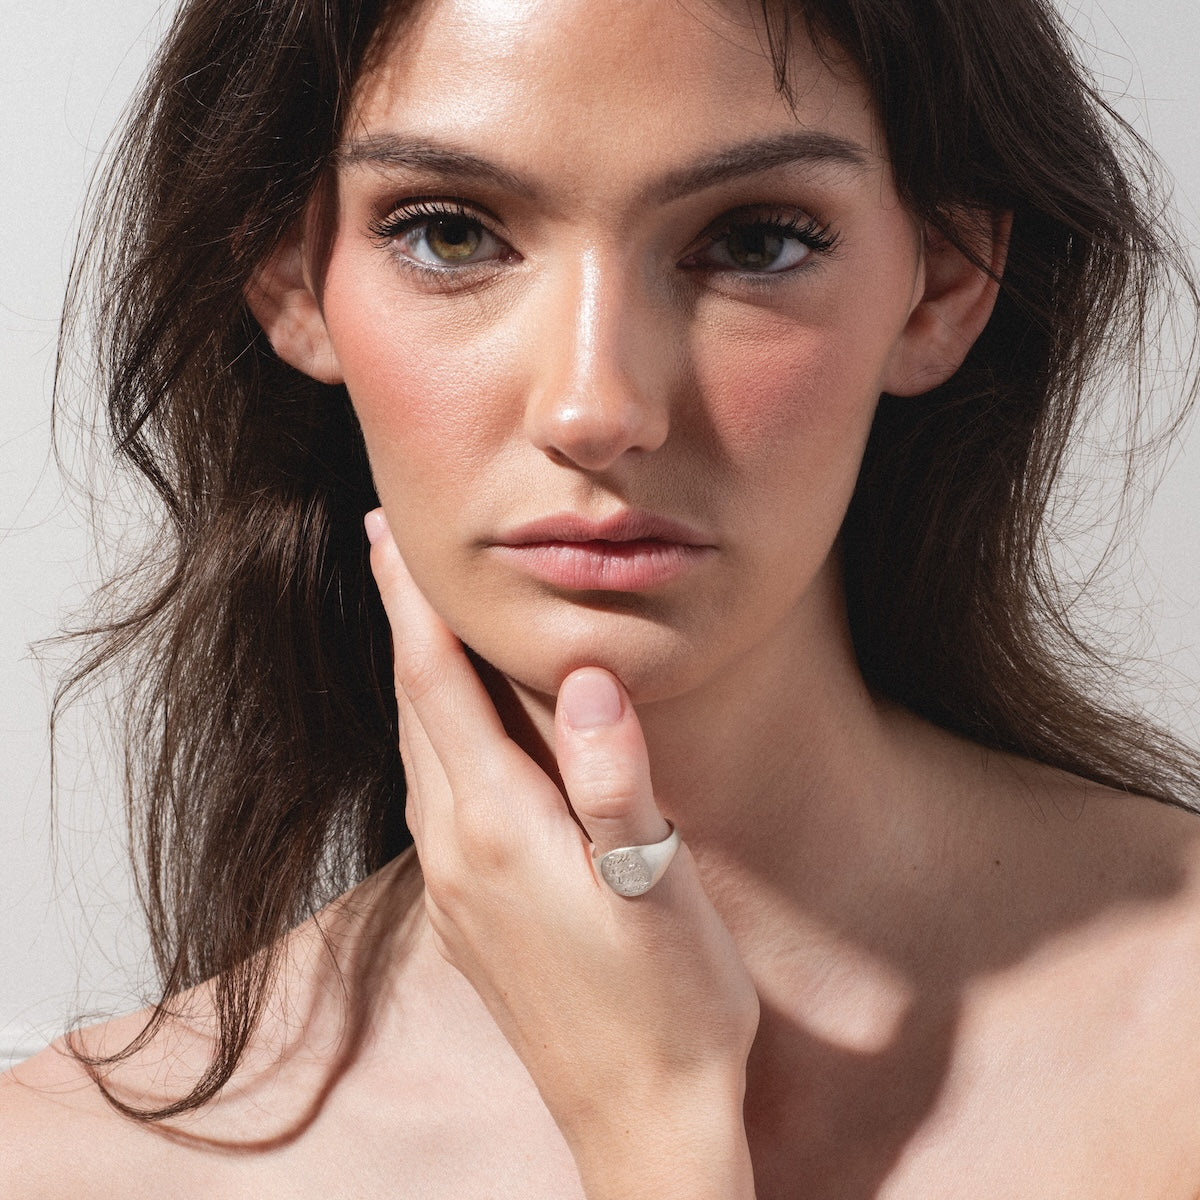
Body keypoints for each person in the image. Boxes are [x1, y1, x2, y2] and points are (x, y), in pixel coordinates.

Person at [2, 0, 1199, 1194]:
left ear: (942, 282)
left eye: (755, 241)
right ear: (289, 274)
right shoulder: (77, 1162)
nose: (596, 407)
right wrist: (655, 1123)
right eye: (452, 234)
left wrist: (654, 1122)